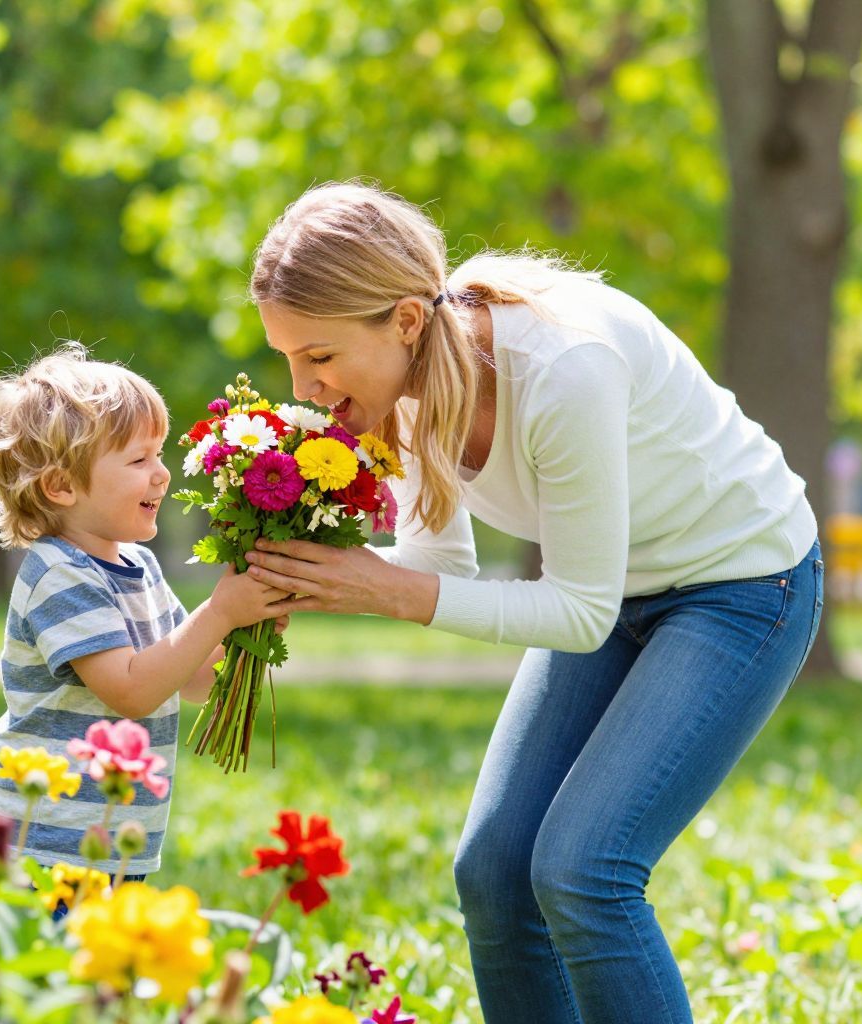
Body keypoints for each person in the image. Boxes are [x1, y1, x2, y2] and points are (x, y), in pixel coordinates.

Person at [239, 182, 824, 1022]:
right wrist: (313, 573)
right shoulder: (409, 384)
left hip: (740, 583)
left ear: (405, 320)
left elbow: (576, 614)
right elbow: (435, 561)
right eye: (290, 358)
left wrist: (384, 591)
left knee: (584, 871)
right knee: (493, 873)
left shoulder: (563, 369)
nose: (305, 387)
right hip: (612, 590)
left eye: (319, 357)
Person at [0, 346, 289, 881]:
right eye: (139, 460)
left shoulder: (140, 565)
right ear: (61, 486)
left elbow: (192, 680)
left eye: (158, 455)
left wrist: (242, 627)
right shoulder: (58, 574)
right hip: (38, 851)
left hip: (110, 849)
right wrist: (219, 612)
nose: (162, 475)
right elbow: (134, 691)